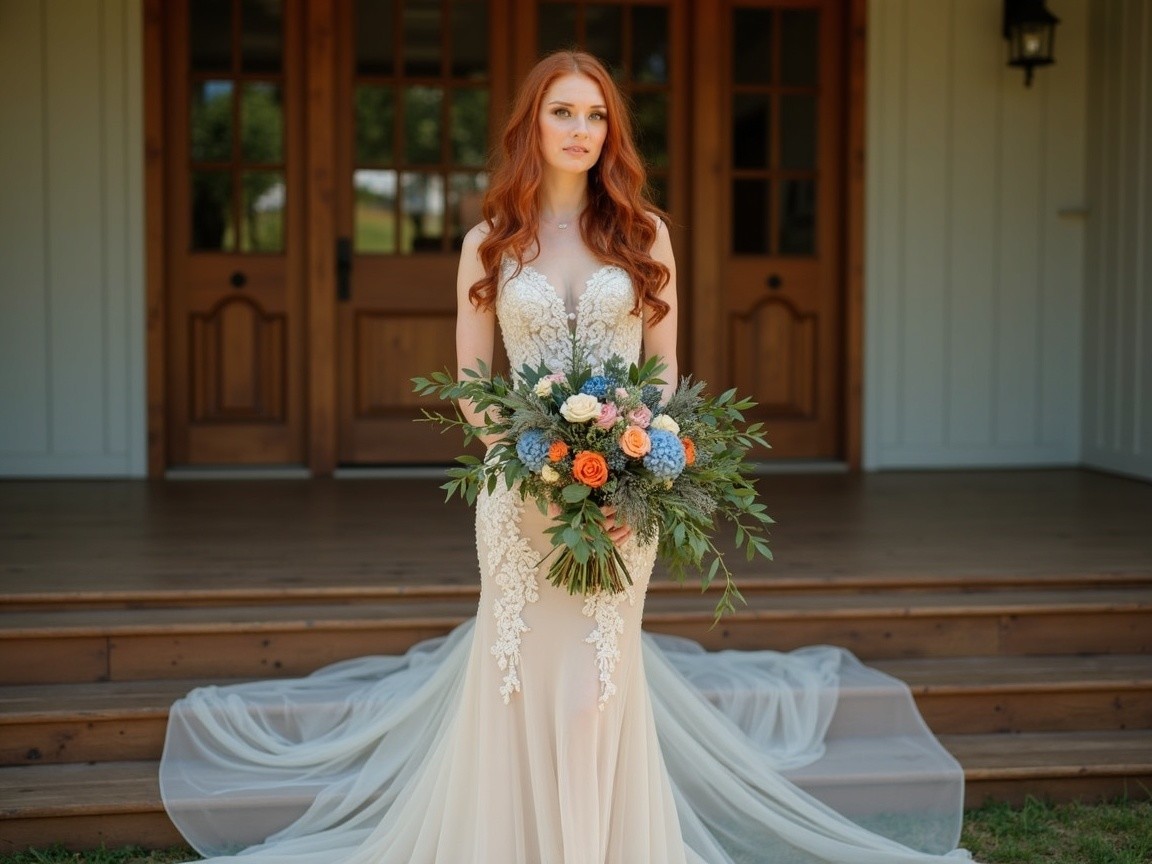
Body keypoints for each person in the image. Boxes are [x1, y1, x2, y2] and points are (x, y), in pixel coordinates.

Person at [160, 52, 974, 863]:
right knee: (518, 691)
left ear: (610, 133)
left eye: (596, 116)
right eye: (564, 112)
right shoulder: (488, 243)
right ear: (531, 125)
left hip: (624, 502)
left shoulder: (643, 234)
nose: (581, 130)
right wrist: (527, 462)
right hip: (519, 503)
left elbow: (662, 372)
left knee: (592, 699)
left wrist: (638, 473)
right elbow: (476, 382)